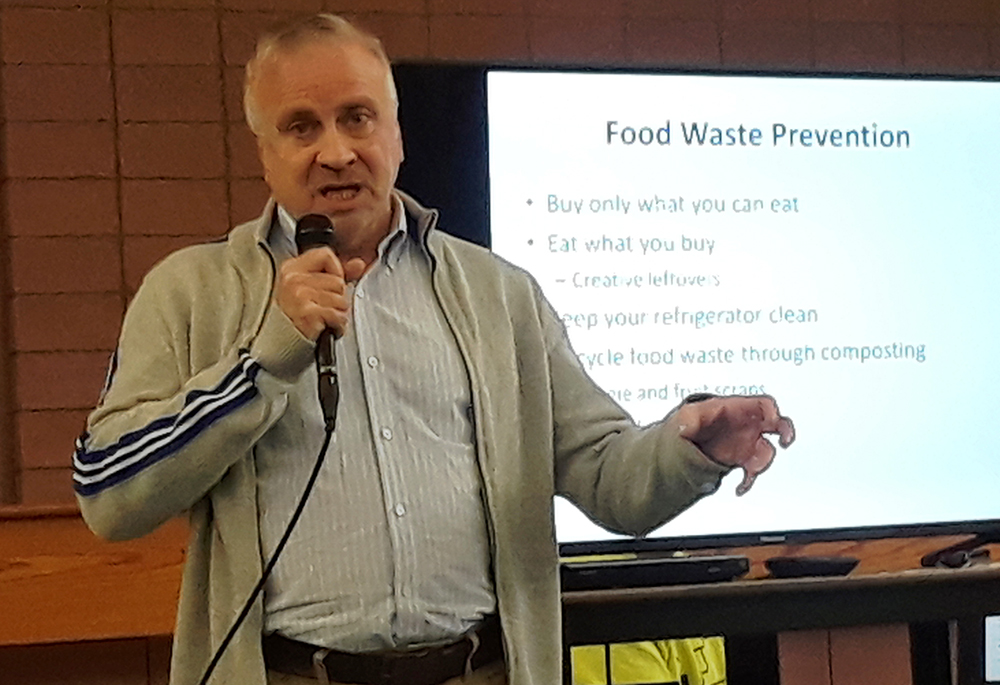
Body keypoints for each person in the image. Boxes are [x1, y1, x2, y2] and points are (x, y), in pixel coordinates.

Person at [73, 14, 794, 685]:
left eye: (357, 117)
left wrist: (689, 448)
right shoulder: (190, 291)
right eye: (301, 126)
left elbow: (606, 477)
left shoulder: (499, 294)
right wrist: (263, 363)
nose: (335, 150)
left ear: (397, 134)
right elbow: (107, 491)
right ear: (266, 155)